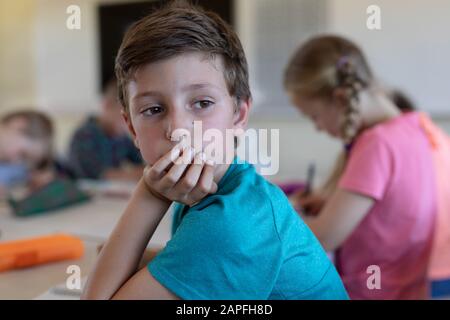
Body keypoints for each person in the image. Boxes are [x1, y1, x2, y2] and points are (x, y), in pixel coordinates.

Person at [82, 2, 348, 300]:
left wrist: (150, 194)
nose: (179, 128)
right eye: (153, 109)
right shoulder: (219, 189)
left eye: (202, 103)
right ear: (132, 128)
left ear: (238, 115)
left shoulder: (232, 223)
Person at [283, 35, 437, 299]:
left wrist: (277, 215)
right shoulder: (419, 127)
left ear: (341, 98)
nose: (318, 127)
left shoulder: (376, 145)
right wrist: (328, 204)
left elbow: (324, 237)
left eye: (315, 117)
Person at [68, 77, 144, 181]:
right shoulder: (84, 136)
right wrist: (139, 173)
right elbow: (97, 175)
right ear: (106, 106)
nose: (128, 125)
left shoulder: (122, 138)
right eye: (124, 117)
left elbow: (141, 163)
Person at [0, 110, 55, 197]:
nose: (16, 161)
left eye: (24, 160)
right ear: (18, 124)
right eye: (22, 154)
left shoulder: (16, 169)